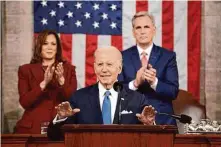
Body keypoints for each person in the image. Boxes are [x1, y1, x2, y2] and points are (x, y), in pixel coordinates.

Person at [47, 46, 156, 140]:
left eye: (109, 64)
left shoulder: (137, 100)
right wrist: (61, 118)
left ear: (119, 68)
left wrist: (150, 124)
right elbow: (55, 136)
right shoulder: (79, 98)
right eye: (100, 64)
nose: (104, 69)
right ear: (94, 68)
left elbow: (152, 139)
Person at [118, 11, 179, 125]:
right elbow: (116, 91)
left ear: (154, 30)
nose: (142, 31)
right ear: (133, 32)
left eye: (146, 27)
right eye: (138, 27)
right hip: (130, 119)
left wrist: (154, 82)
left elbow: (173, 92)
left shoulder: (168, 56)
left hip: (161, 120)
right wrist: (135, 83)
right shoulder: (122, 57)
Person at [15, 30, 77, 134]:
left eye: (53, 44)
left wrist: (62, 81)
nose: (49, 47)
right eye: (45, 43)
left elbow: (72, 99)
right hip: (32, 129)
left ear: (57, 48)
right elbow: (24, 102)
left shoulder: (69, 69)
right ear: (39, 46)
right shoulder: (25, 70)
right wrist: (43, 83)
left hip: (59, 129)